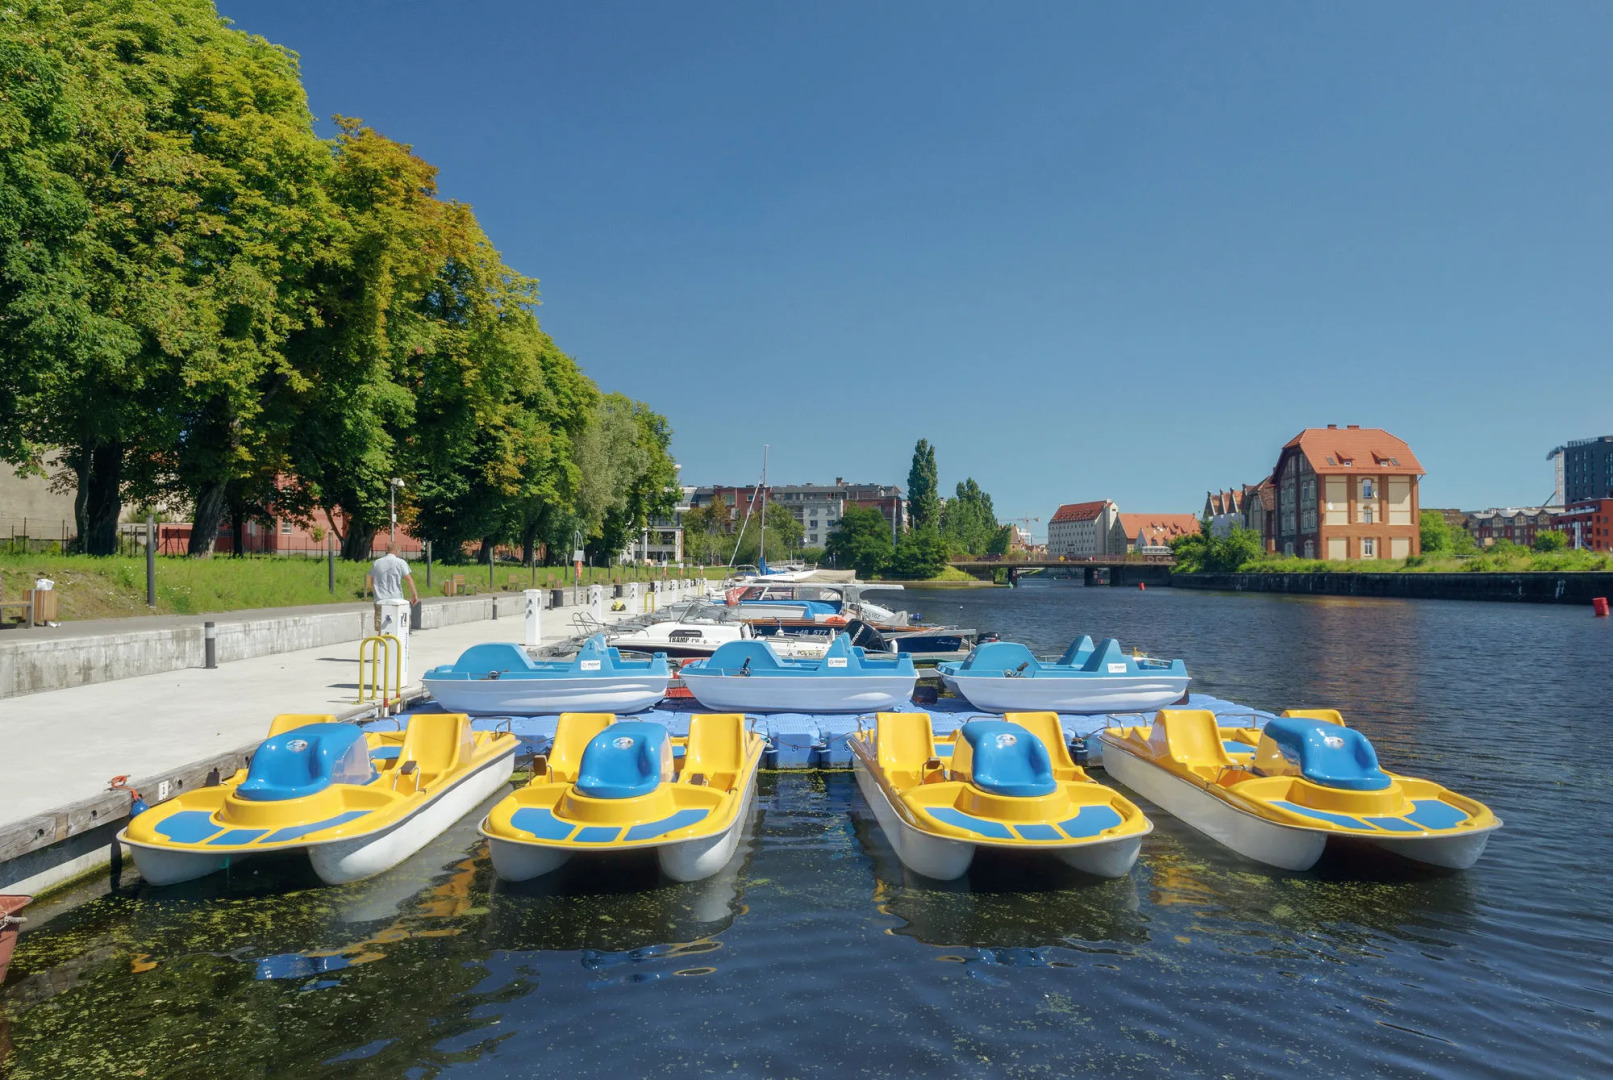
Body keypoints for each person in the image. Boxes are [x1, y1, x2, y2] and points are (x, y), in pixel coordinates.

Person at [367, 542, 420, 632]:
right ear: (396, 551)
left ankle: (382, 644)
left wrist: (375, 593)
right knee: (401, 626)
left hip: (380, 600)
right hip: (396, 600)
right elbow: (408, 579)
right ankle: (399, 645)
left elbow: (372, 581)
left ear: (387, 550)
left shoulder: (377, 562)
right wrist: (414, 595)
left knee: (381, 628)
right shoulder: (400, 562)